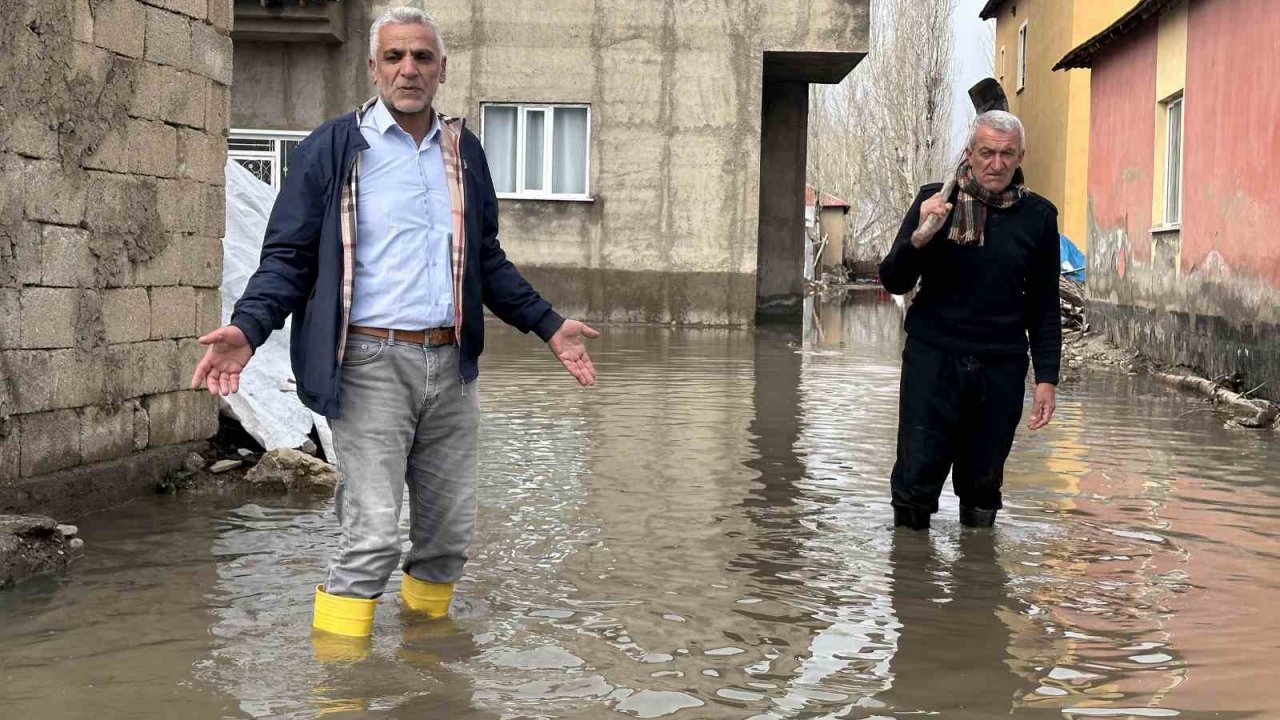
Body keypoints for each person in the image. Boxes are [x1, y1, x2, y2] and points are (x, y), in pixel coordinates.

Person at [190, 6, 598, 641]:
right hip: (367, 365)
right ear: (373, 67)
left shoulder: (466, 153)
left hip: (452, 367)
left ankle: (426, 666)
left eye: (422, 57)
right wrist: (247, 330)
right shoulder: (331, 149)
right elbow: (288, 259)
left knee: (447, 540)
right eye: (394, 57)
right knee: (373, 536)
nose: (408, 69)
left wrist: (548, 325)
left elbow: (485, 259)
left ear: (441, 70)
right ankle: (339, 688)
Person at [879, 110, 1060, 531]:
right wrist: (919, 237)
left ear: (1020, 157)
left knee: (983, 481)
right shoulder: (936, 201)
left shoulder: (1038, 217)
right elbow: (894, 280)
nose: (996, 164)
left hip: (1001, 366)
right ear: (970, 153)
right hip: (933, 359)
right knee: (916, 475)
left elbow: (1043, 305)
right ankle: (909, 577)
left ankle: (977, 576)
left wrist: (1047, 377)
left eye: (1006, 154)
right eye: (986, 153)